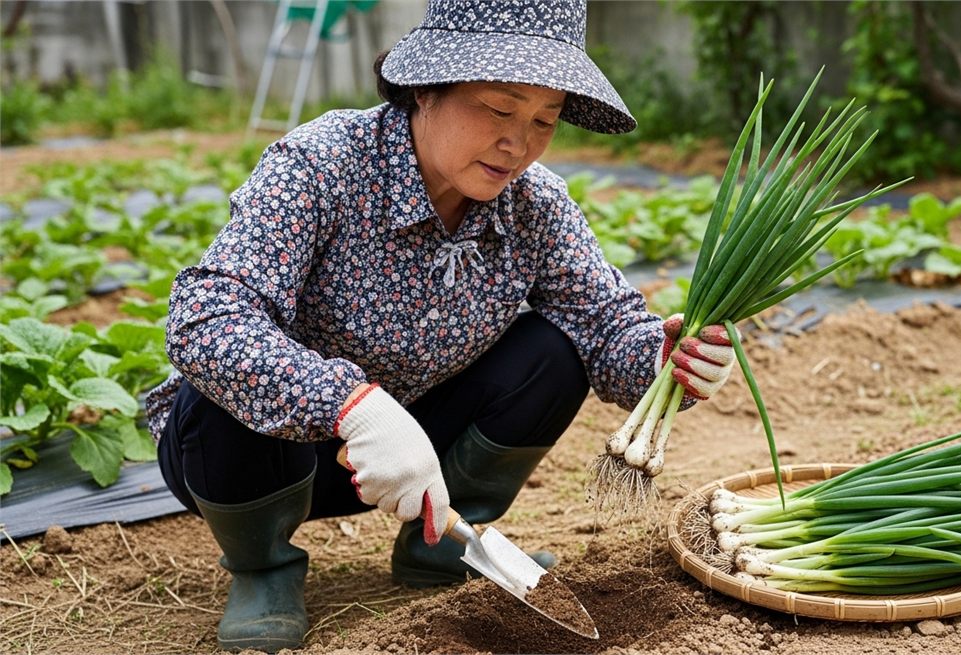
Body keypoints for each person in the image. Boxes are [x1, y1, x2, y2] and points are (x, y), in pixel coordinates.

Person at [147, 1, 742, 652]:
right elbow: (205, 317)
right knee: (227, 370)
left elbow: (605, 326)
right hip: (262, 459)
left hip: (414, 464)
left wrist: (665, 361)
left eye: (544, 119)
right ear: (426, 88)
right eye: (499, 109)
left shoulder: (534, 205)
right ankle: (262, 566)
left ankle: (443, 543)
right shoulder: (322, 165)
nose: (519, 143)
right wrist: (349, 405)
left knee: (555, 349)